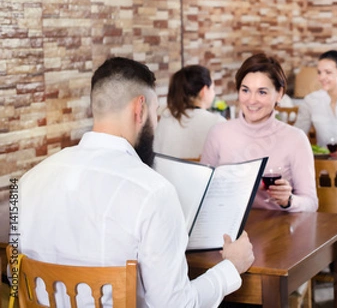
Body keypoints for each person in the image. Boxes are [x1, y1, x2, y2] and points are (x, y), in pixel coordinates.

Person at [18, 57, 255, 307]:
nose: (155, 121)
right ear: (139, 109)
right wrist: (230, 268)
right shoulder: (154, 193)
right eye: (155, 112)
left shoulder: (25, 183)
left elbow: (14, 276)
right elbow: (175, 306)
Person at [201, 53, 318, 212]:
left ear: (279, 94)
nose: (252, 100)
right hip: (229, 230)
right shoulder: (218, 133)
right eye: (245, 90)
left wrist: (289, 200)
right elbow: (202, 192)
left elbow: (311, 203)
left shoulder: (295, 139)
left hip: (278, 229)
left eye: (262, 92)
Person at [154, 64, 225, 160]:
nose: (214, 93)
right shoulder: (217, 123)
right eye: (212, 88)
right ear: (203, 91)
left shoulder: (165, 121)